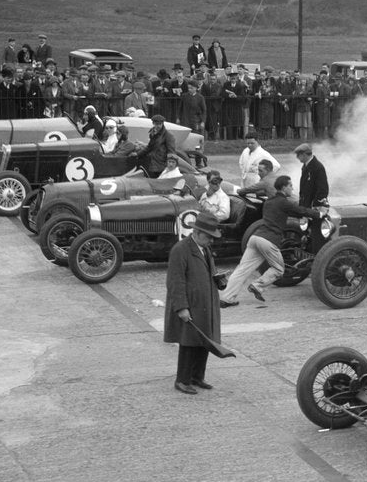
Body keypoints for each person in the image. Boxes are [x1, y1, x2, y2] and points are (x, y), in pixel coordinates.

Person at [220, 175, 322, 307]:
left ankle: (226, 298)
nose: (292, 188)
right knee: (279, 269)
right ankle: (257, 285)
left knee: (242, 269)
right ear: (284, 187)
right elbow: (300, 210)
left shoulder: (268, 202)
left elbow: (290, 213)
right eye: (290, 186)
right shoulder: (284, 202)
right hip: (268, 240)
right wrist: (319, 214)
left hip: (255, 238)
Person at [164, 211, 224, 394]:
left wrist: (219, 280)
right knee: (189, 343)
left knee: (204, 341)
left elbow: (208, 271)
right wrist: (181, 307)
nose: (211, 241)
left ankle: (197, 377)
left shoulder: (203, 249)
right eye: (208, 237)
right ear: (196, 232)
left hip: (205, 303)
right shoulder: (181, 250)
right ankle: (183, 380)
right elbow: (175, 281)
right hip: (191, 305)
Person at [133, 113, 178, 178]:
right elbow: (149, 147)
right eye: (156, 124)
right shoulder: (153, 133)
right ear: (153, 123)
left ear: (162, 124)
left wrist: (170, 166)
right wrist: (138, 154)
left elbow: (171, 152)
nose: (158, 126)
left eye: (160, 124)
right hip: (153, 163)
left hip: (162, 164)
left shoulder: (168, 135)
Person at [295, 143, 328, 207]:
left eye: (298, 155)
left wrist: (314, 205)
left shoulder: (317, 167)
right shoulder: (306, 165)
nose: (297, 157)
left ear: (304, 154)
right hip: (306, 204)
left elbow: (323, 189)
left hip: (314, 206)